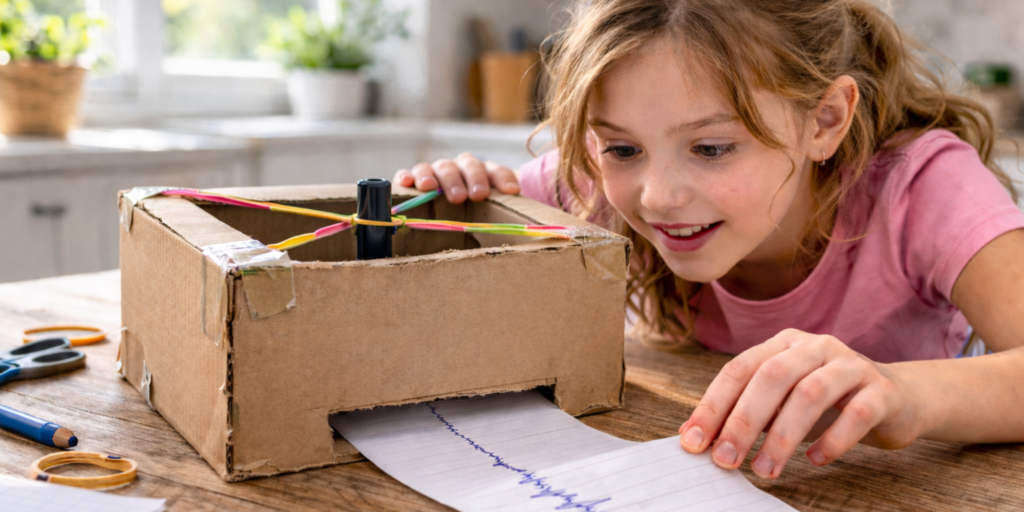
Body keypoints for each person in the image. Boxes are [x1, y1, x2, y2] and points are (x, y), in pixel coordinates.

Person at [394, 0, 1024, 480]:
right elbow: (474, 231)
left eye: (712, 148)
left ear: (825, 120)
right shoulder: (598, 180)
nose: (657, 195)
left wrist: (908, 392)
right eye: (621, 146)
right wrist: (464, 196)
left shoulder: (922, 186)